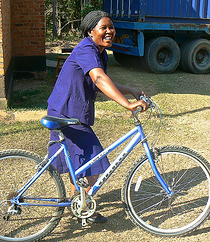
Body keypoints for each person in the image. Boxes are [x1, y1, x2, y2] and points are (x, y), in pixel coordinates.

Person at [47, 10, 149, 223]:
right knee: (92, 161)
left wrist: (129, 90)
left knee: (83, 163)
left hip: (73, 111)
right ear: (90, 31)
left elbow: (101, 82)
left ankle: (81, 206)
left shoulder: (100, 52)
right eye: (104, 28)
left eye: (111, 27)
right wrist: (128, 105)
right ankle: (81, 205)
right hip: (67, 112)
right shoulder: (86, 48)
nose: (110, 31)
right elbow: (99, 78)